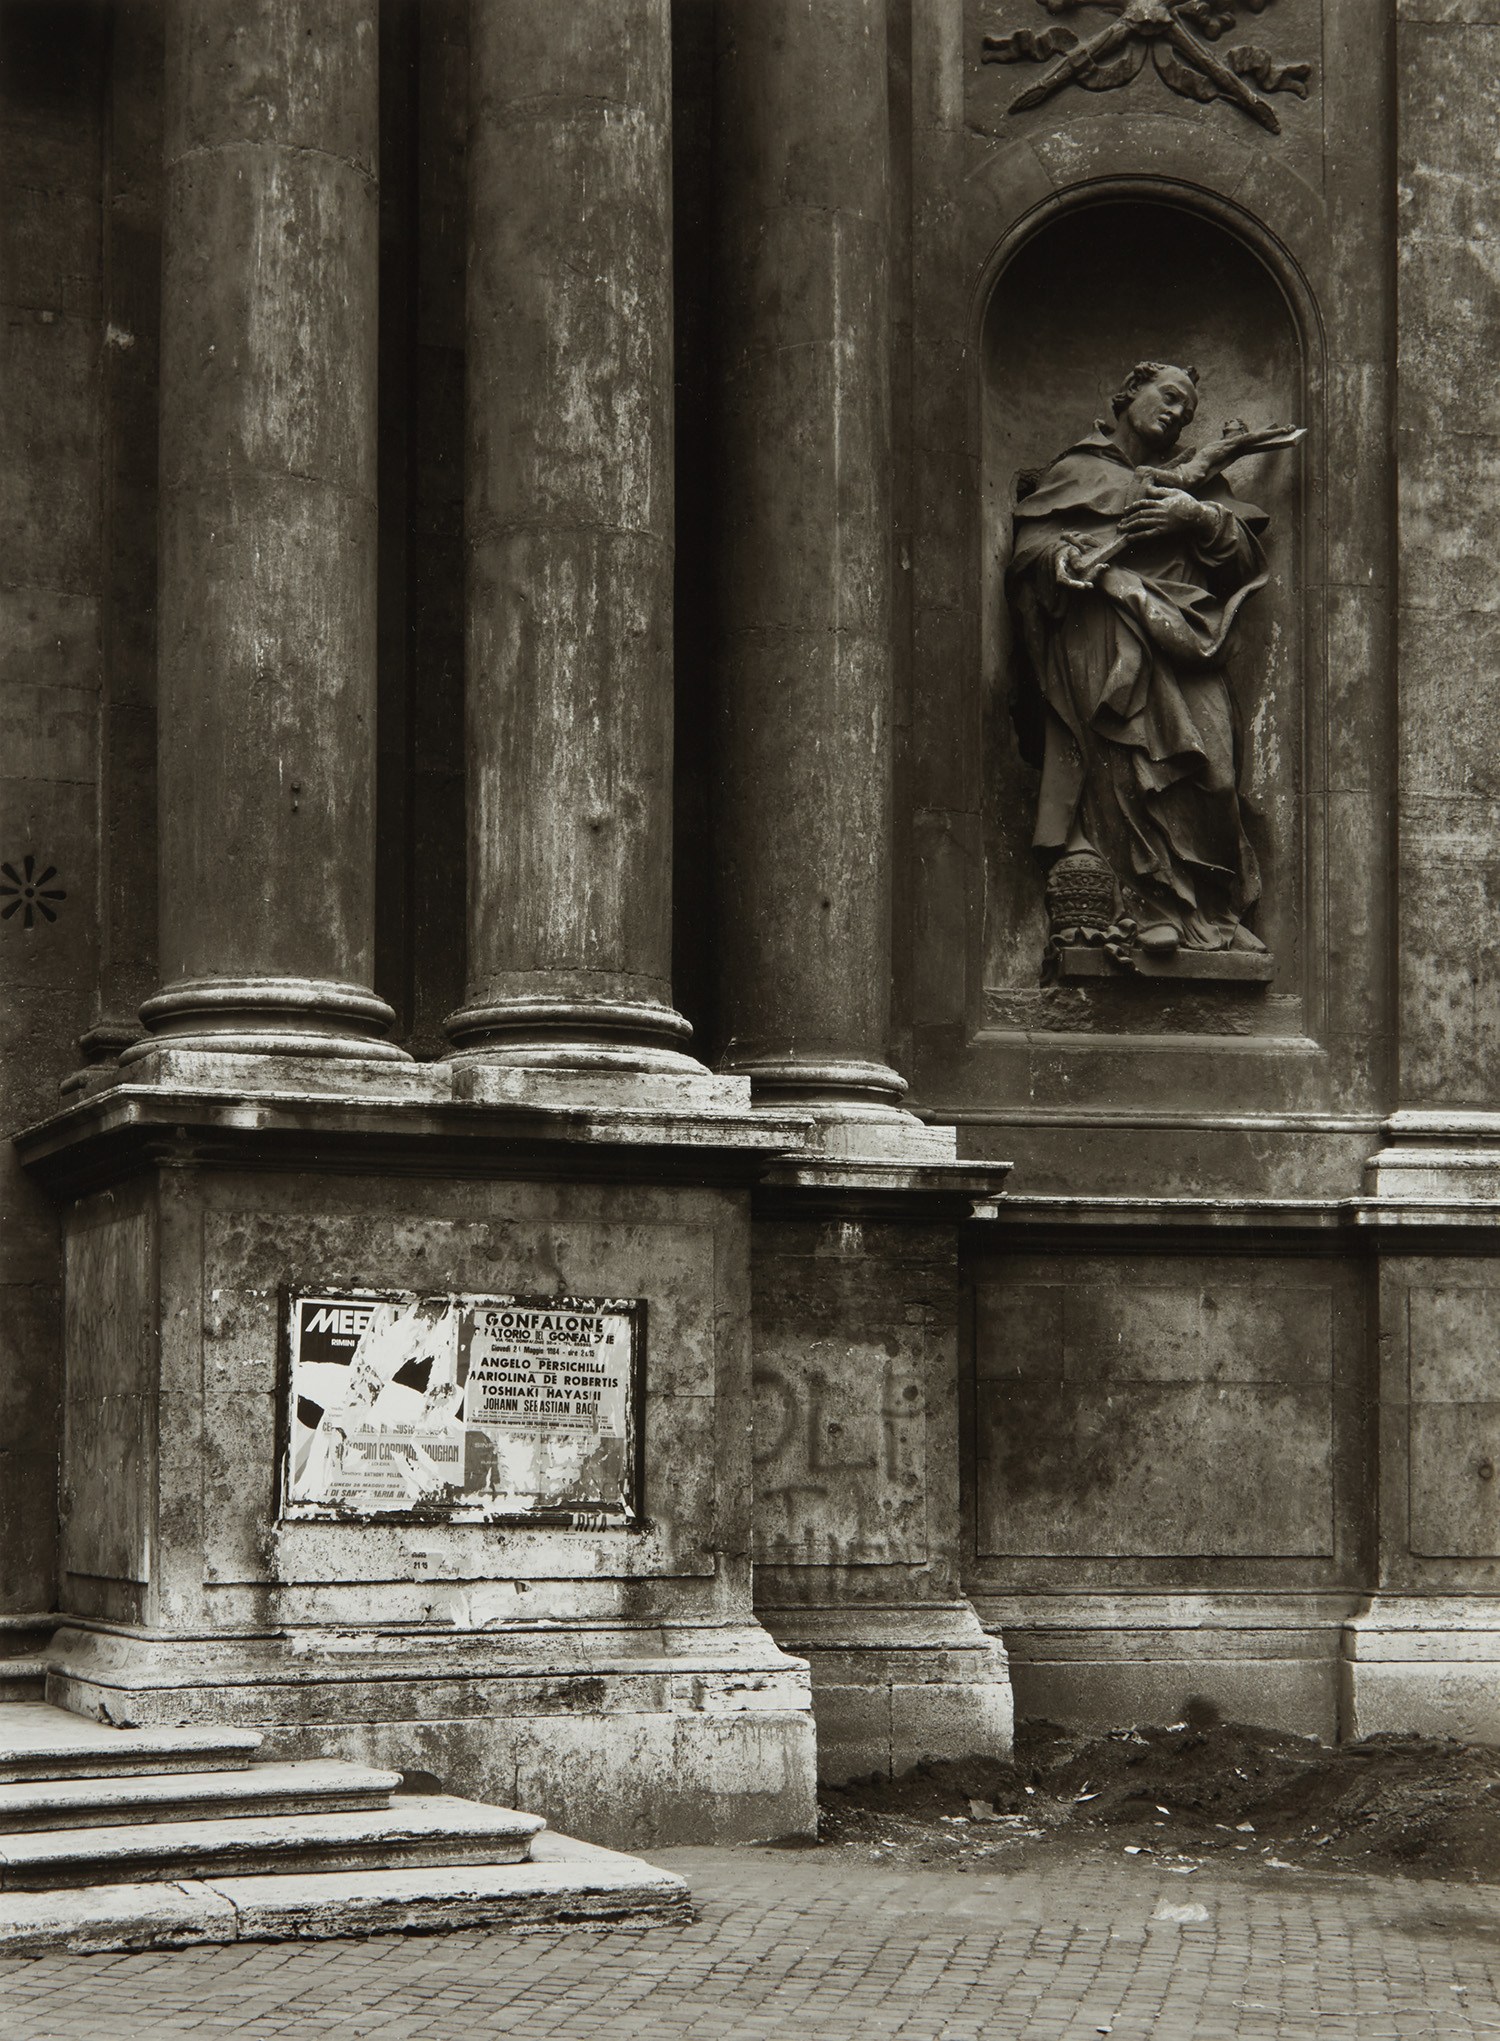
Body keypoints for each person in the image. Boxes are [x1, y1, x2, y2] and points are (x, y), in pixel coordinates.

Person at [1007, 360, 1270, 959]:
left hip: (1188, 639)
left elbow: (1244, 564)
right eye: (1170, 396)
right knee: (1125, 764)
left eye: (1188, 411)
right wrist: (1063, 563)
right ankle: (1149, 905)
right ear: (1128, 394)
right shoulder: (1075, 471)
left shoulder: (1197, 485)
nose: (1178, 413)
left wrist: (1196, 514)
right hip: (1106, 632)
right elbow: (1031, 553)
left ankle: (1212, 909)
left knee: (1216, 774)